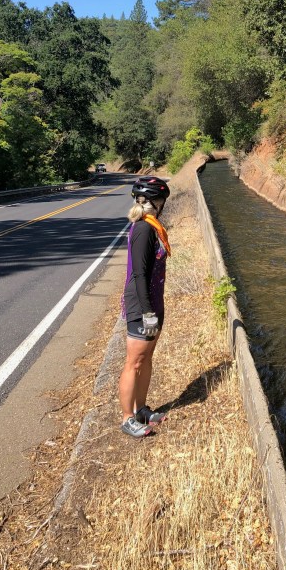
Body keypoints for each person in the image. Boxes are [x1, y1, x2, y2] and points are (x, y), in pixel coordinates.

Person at [119, 176, 172, 438]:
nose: (163, 205)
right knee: (135, 362)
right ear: (156, 202)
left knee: (147, 359)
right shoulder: (143, 229)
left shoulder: (153, 227)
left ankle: (141, 409)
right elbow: (139, 274)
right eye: (162, 200)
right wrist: (147, 311)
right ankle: (127, 418)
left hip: (153, 300)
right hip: (141, 305)